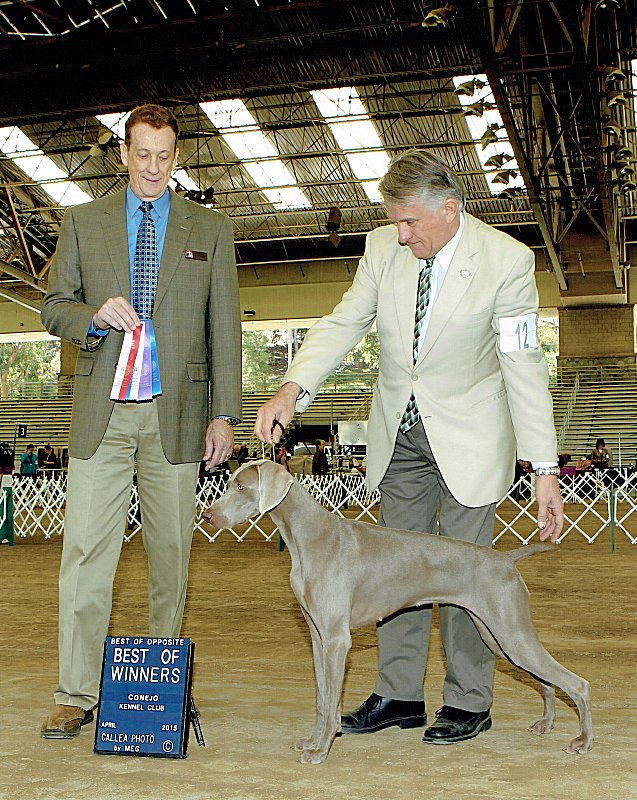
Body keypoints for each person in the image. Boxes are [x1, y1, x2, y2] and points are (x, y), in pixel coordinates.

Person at [254, 149, 563, 746]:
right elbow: (344, 323)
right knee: (391, 570)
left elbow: (524, 366)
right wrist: (293, 389)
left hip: (471, 437)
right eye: (394, 221)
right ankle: (399, 695)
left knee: (468, 573)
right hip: (397, 435)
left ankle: (469, 701)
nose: (401, 234)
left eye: (410, 222)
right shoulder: (381, 250)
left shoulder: (507, 262)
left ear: (450, 210)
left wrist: (545, 468)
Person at [40, 103, 242, 739]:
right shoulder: (80, 223)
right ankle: (75, 692)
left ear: (176, 157)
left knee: (172, 559)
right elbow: (52, 308)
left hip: (176, 416)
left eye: (165, 155)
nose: (153, 167)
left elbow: (224, 328)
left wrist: (225, 416)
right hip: (102, 414)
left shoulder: (210, 230)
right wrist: (93, 317)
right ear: (123, 156)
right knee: (84, 557)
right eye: (142, 154)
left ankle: (160, 689)